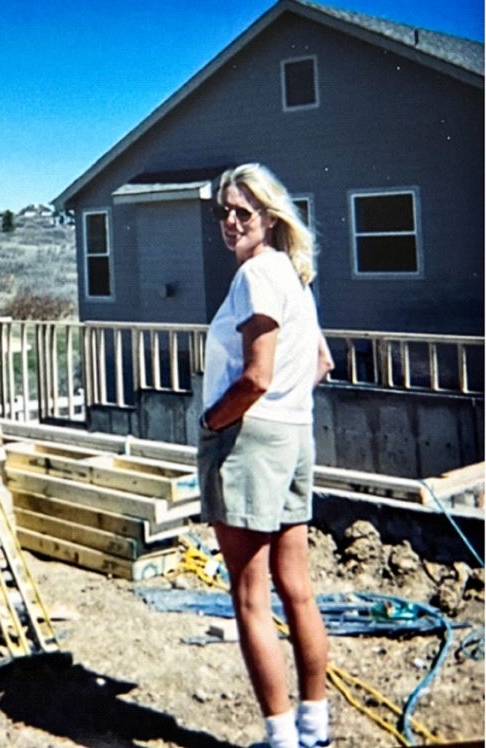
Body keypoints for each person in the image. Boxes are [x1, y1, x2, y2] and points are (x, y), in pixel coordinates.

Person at [197, 164, 334, 748]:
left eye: (242, 213)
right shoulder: (292, 276)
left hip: (250, 441)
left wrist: (211, 420)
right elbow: (321, 362)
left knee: (251, 597)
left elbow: (255, 377)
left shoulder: (256, 275)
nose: (230, 222)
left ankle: (281, 740)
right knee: (296, 588)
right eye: (223, 212)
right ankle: (314, 729)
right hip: (294, 436)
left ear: (270, 219)